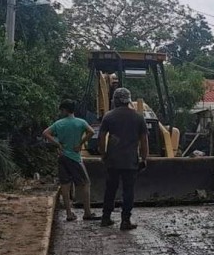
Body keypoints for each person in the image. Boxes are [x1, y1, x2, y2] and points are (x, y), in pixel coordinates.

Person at [98, 87, 149, 230]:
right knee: (128, 191)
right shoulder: (138, 117)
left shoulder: (108, 116)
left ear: (115, 100)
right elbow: (144, 141)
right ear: (128, 100)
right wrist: (144, 158)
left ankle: (105, 217)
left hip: (113, 160)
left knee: (110, 189)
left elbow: (101, 138)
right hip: (130, 161)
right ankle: (125, 220)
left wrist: (103, 154)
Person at [43, 99, 98, 222]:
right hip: (74, 157)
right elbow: (92, 132)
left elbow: (45, 133)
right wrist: (80, 144)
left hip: (62, 156)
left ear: (65, 110)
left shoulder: (58, 124)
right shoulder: (80, 122)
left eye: (61, 110)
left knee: (65, 185)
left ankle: (69, 213)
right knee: (85, 183)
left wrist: (58, 144)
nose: (61, 112)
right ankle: (87, 212)